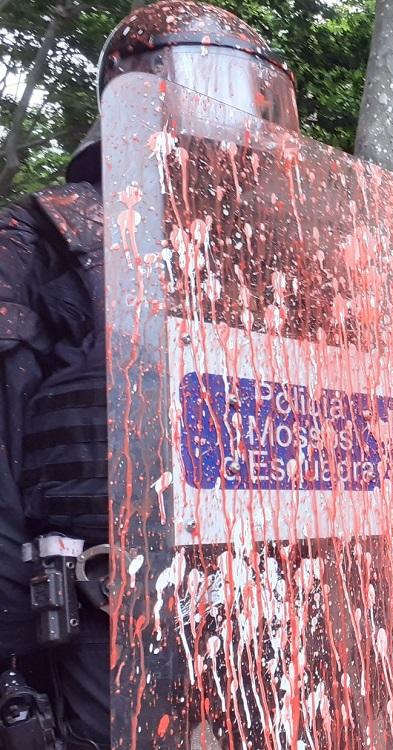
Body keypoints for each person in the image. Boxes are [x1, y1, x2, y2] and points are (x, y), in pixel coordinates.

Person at [0, 3, 301, 747]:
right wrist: (14, 640)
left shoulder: (259, 273)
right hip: (99, 613)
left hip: (252, 605)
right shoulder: (44, 236)